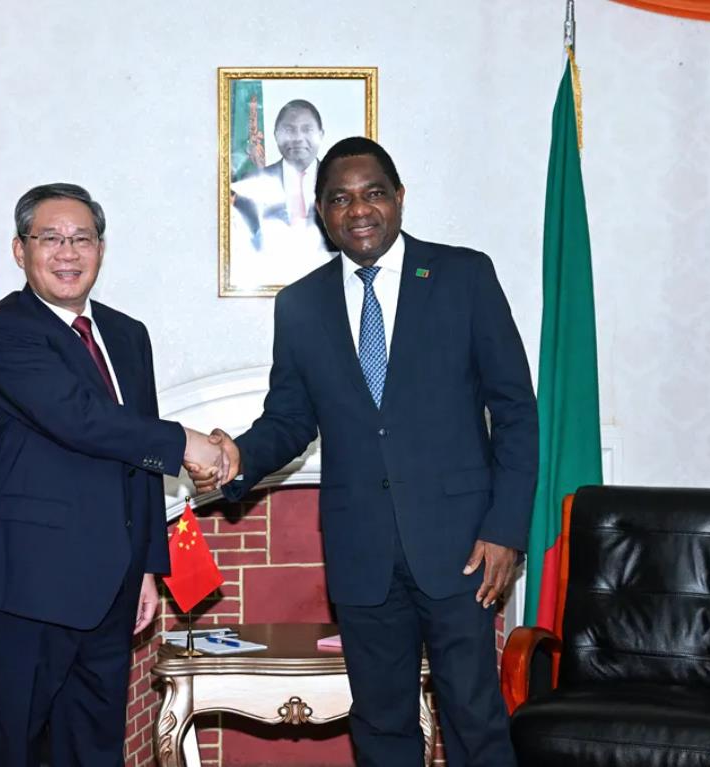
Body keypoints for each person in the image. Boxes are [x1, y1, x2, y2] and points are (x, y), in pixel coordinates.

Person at [193, 137, 538, 766]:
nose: (359, 210)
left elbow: (515, 411)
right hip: (361, 551)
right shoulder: (301, 304)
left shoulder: (464, 277)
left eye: (373, 193)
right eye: (340, 199)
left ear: (399, 197)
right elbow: (289, 420)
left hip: (463, 546)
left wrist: (505, 529)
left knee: (475, 719)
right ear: (321, 213)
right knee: (380, 726)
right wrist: (236, 457)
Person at [0, 183, 224, 767]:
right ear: (20, 250)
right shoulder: (3, 330)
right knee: (11, 749)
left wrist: (148, 567)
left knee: (94, 749)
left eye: (82, 239)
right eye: (50, 239)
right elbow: (80, 419)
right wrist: (186, 442)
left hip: (112, 586)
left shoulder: (127, 335)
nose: (68, 253)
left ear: (100, 250)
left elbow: (139, 461)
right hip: (27, 585)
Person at [230, 99, 332, 287]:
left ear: (321, 134)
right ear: (276, 135)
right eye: (289, 130)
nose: (298, 138)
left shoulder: (337, 181)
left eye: (307, 129)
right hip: (269, 282)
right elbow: (242, 245)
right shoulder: (252, 183)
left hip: (327, 284)